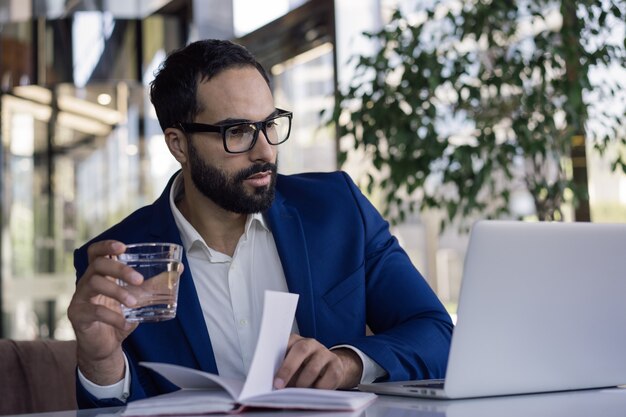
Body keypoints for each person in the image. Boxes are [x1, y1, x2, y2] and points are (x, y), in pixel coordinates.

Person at [68, 39, 453, 409]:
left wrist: (347, 363)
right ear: (178, 145)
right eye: (237, 131)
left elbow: (437, 333)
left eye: (270, 124)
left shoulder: (337, 210)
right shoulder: (120, 259)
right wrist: (100, 363)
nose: (265, 150)